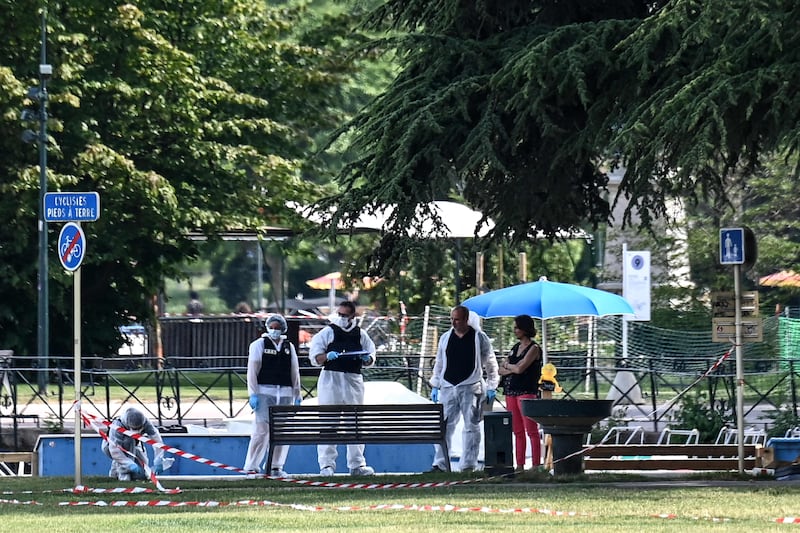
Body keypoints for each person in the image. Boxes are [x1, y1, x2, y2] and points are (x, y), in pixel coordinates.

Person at [309, 300, 377, 476]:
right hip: (331, 380)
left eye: (344, 315)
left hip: (353, 380)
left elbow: (371, 354)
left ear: (353, 316)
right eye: (339, 314)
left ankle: (357, 464)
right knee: (328, 423)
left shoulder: (361, 335)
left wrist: (366, 359)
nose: (341, 318)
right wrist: (327, 356)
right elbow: (315, 356)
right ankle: (327, 465)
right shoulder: (328, 332)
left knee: (354, 423)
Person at [429, 305, 499, 472]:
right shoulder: (446, 337)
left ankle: (468, 464)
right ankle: (440, 463)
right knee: (444, 426)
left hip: (471, 386)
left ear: (466, 320)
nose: (453, 322)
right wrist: (436, 384)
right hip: (448, 386)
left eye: (457, 319)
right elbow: (439, 362)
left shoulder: (479, 338)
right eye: (452, 319)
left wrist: (492, 385)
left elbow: (490, 362)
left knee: (471, 426)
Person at [243, 314, 301, 477]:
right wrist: (253, 393)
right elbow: (252, 371)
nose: (275, 331)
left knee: (282, 431)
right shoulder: (259, 345)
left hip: (285, 394)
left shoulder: (289, 347)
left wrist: (297, 394)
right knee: (261, 431)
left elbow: (294, 371)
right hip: (264, 392)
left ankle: (276, 466)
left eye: (278, 328)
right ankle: (252, 465)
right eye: (272, 327)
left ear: (283, 329)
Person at [498, 314, 543, 471]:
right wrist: (510, 367)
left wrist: (509, 366)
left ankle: (536, 464)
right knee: (517, 430)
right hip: (511, 391)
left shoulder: (534, 348)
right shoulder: (515, 348)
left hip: (526, 391)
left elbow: (519, 368)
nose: (515, 330)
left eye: (517, 327)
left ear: (525, 328)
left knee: (531, 429)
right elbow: (501, 369)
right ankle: (520, 464)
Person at [102, 407, 169, 481]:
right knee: (128, 440)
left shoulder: (146, 422)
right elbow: (114, 450)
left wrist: (158, 459)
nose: (137, 431)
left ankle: (118, 472)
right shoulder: (118, 425)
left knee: (143, 474)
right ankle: (122, 473)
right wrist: (129, 464)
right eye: (134, 428)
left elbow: (156, 440)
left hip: (134, 446)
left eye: (139, 428)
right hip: (111, 447)